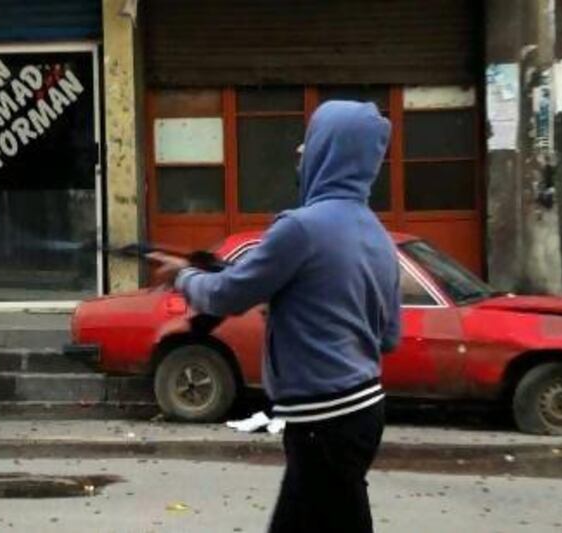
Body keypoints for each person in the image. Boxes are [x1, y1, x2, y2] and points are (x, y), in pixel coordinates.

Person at [151, 100, 401, 533]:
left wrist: (184, 277)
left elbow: (227, 294)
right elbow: (389, 336)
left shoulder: (301, 228)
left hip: (323, 417)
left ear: (330, 152)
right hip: (362, 412)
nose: (299, 154)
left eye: (309, 144)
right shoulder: (377, 234)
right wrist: (300, 310)